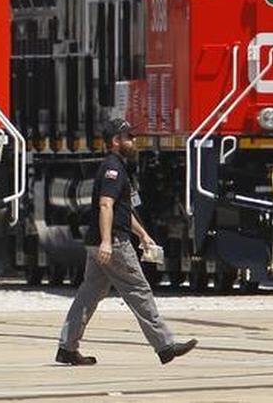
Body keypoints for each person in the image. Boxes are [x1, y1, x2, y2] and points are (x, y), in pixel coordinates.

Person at [56, 118, 198, 366]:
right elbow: (106, 205)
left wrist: (142, 234)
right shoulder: (113, 169)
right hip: (115, 244)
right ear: (115, 142)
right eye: (128, 138)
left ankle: (67, 348)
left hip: (102, 241)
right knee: (138, 291)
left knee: (89, 294)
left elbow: (123, 209)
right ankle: (165, 345)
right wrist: (108, 242)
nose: (133, 141)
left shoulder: (117, 167)